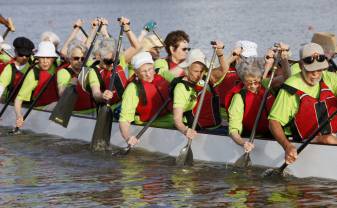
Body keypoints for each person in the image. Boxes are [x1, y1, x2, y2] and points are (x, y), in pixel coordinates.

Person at [269, 43, 337, 165]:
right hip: (304, 139)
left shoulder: (330, 78)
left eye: (319, 69)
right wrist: (287, 146)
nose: (316, 74)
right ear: (301, 66)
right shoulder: (291, 87)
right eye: (311, 70)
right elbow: (273, 122)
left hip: (332, 134)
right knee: (329, 139)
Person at [226, 44, 290, 153]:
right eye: (248, 83)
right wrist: (243, 143)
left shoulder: (266, 84)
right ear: (243, 80)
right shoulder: (239, 97)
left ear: (260, 78)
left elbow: (287, 77)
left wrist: (284, 59)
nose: (253, 86)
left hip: (272, 133)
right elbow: (233, 130)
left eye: (256, 82)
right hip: (248, 137)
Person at [118, 52, 173, 146]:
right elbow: (124, 120)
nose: (148, 74)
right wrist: (128, 137)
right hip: (149, 123)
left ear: (153, 66)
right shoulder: (132, 88)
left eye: (150, 69)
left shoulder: (163, 75)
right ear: (136, 72)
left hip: (170, 119)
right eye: (143, 71)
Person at [87, 17, 139, 107]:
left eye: (114, 61)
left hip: (127, 103)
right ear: (99, 57)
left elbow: (137, 47)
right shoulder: (94, 71)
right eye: (108, 61)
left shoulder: (118, 62)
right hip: (111, 107)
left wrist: (127, 29)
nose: (112, 64)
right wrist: (102, 96)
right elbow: (95, 93)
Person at [172, 49, 223, 140]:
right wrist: (185, 131)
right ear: (187, 69)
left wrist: (220, 53)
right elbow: (177, 120)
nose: (199, 75)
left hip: (213, 127)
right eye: (196, 71)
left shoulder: (205, 80)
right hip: (193, 128)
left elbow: (223, 70)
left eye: (202, 71)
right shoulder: (180, 88)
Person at [14, 41, 60, 128]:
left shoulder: (58, 66)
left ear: (53, 59)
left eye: (48, 57)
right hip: (38, 109)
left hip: (53, 106)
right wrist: (19, 116)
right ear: (38, 58)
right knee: (57, 103)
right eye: (42, 58)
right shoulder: (33, 74)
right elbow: (18, 100)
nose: (45, 61)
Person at [56, 42, 95, 113]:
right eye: (76, 58)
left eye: (83, 59)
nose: (80, 61)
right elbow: (61, 93)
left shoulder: (89, 69)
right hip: (75, 113)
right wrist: (70, 84)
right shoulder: (63, 73)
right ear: (70, 58)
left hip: (93, 110)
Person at [0, 37, 35, 101]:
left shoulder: (35, 63)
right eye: (21, 54)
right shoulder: (9, 68)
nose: (24, 57)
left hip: (31, 102)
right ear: (15, 52)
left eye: (27, 55)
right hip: (9, 101)